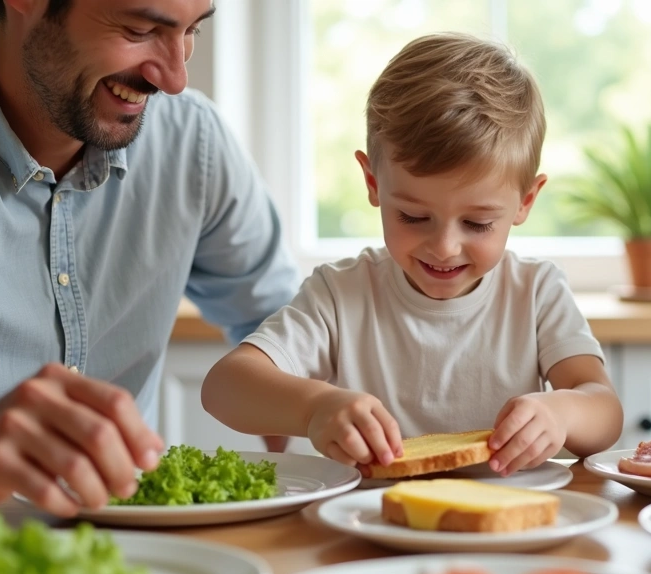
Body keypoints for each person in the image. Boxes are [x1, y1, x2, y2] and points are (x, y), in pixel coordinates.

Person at [0, 0, 299, 526]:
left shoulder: (193, 143)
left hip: (141, 569)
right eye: (140, 29)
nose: (176, 77)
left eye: (192, 31)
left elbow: (284, 333)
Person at [201, 33, 623, 476]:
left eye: (478, 223)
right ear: (373, 183)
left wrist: (562, 413)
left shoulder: (536, 292)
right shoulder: (341, 293)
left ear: (525, 202)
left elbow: (604, 408)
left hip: (511, 530)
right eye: (413, 216)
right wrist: (314, 407)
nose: (444, 247)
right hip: (372, 526)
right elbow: (223, 387)